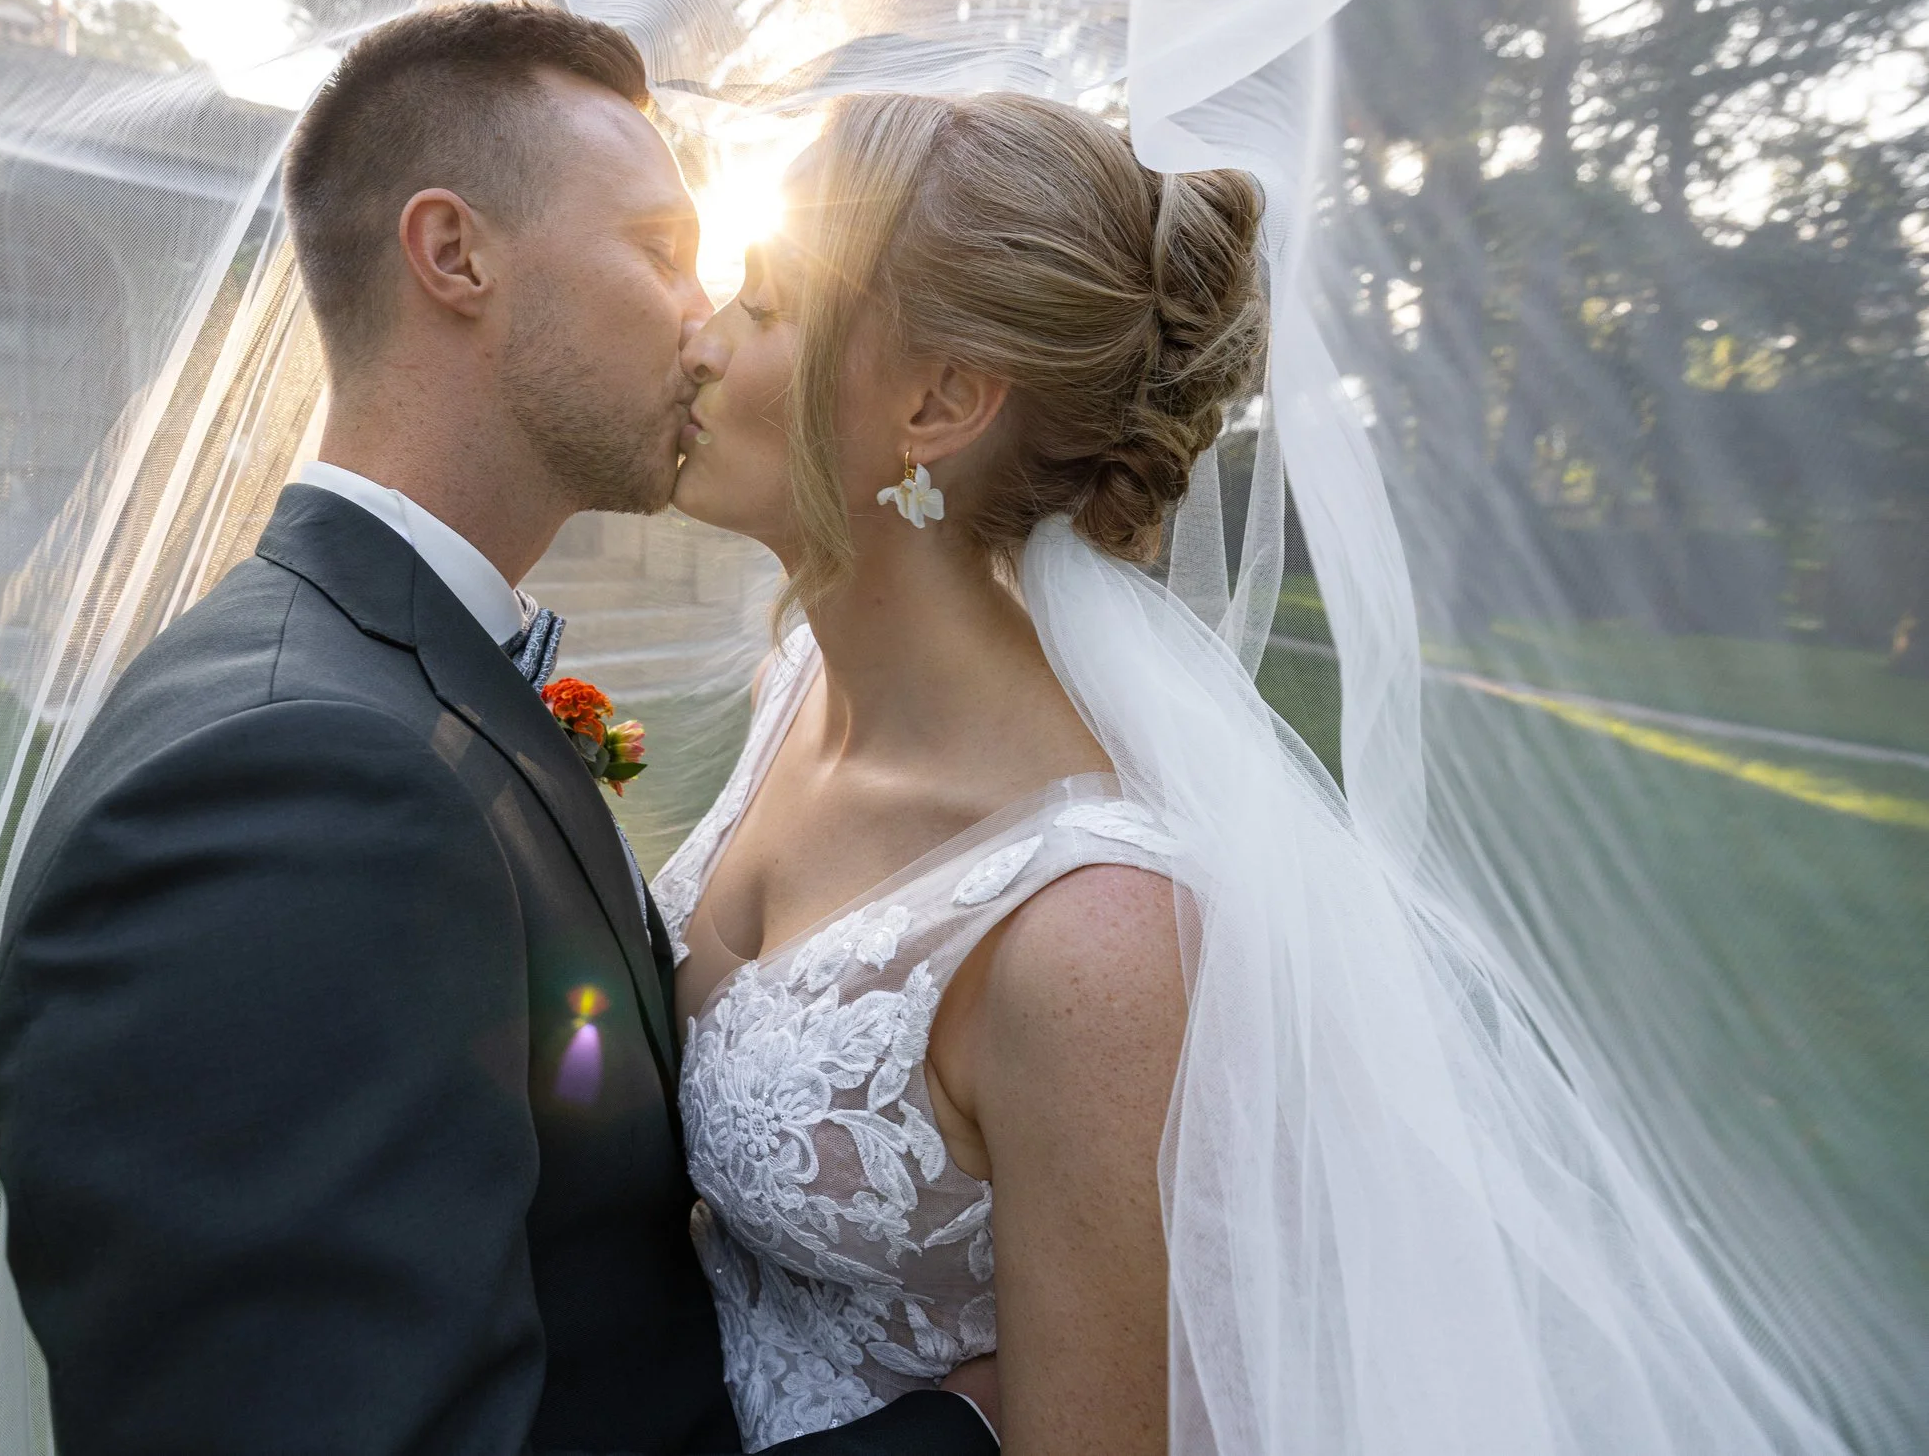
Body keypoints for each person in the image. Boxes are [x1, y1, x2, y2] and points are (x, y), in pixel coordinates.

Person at [661, 92, 1847, 1454]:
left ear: (936, 402)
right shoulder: (793, 687)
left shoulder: (1089, 939)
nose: (695, 341)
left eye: (762, 303)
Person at [0, 4, 1000, 1455]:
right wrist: (970, 1426)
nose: (703, 322)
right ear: (455, 255)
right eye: (659, 251)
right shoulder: (285, 795)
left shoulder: (400, 682)